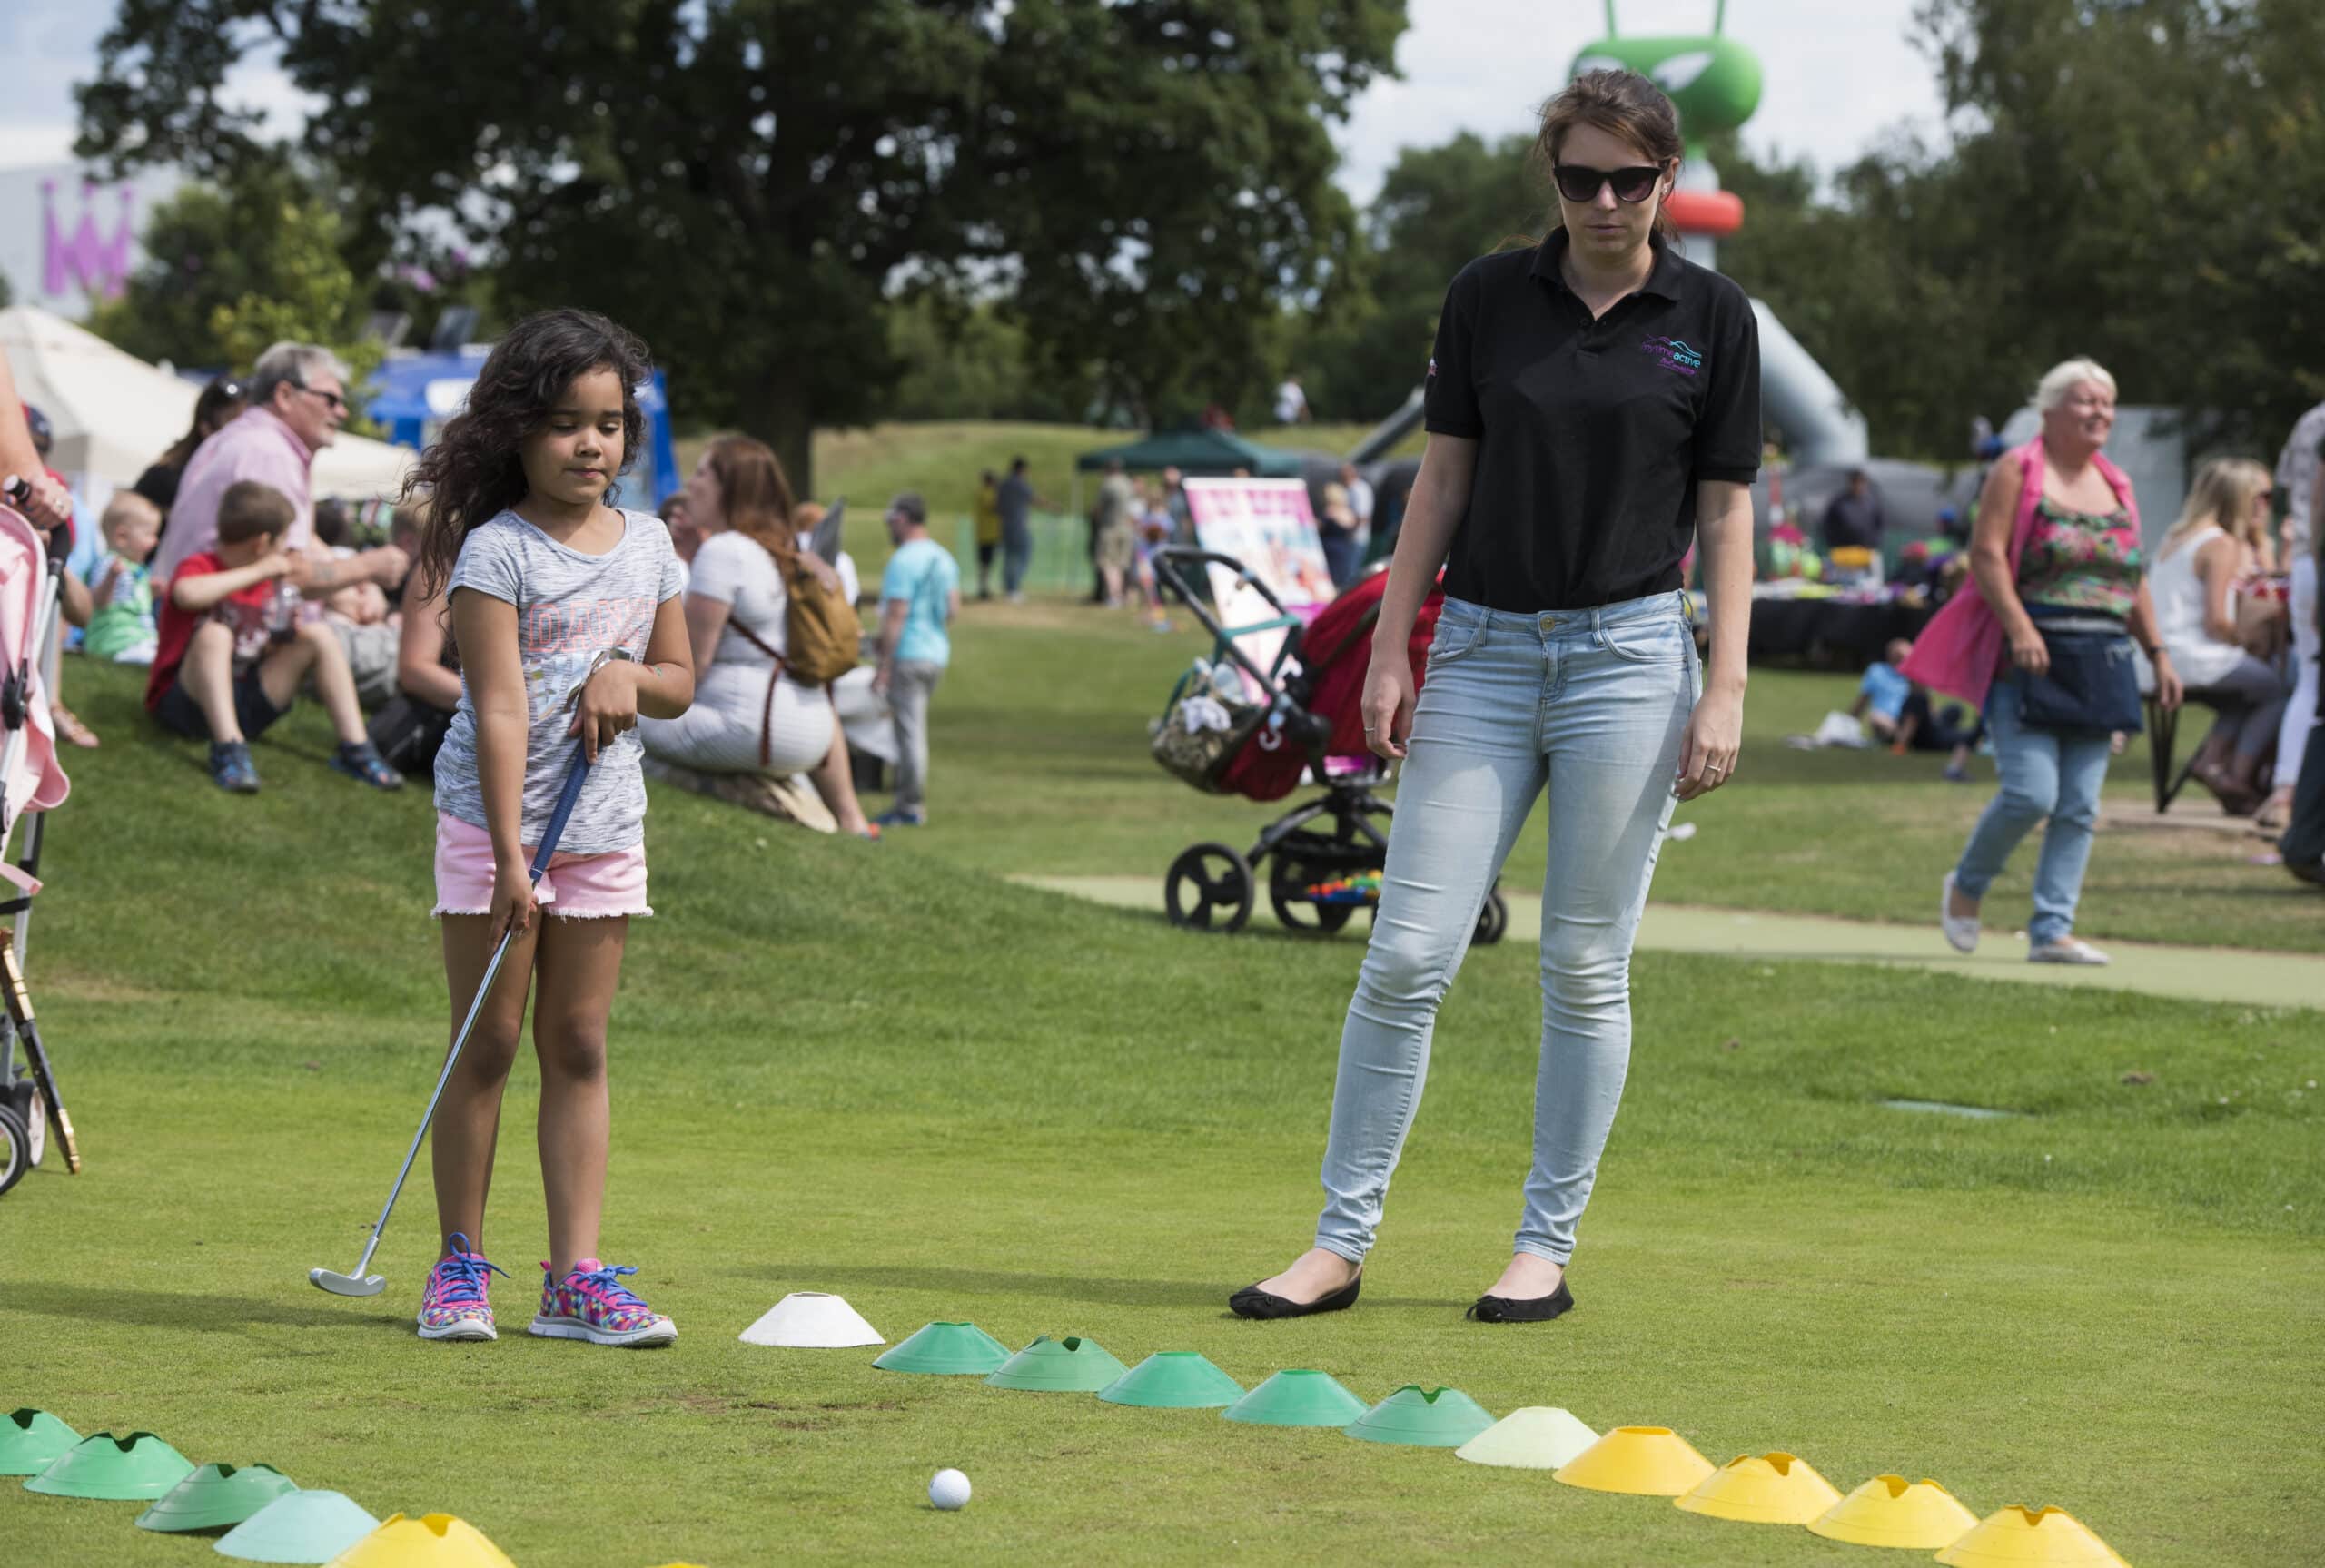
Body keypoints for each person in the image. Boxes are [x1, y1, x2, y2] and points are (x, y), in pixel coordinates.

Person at [1232, 69, 1759, 1326]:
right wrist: (1395, 649)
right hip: (1477, 647)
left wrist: (1726, 684)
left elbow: (1729, 512)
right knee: (1408, 952)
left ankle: (1543, 1245)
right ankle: (1338, 1242)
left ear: (1667, 182)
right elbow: (1440, 482)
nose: (1605, 200)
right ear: (1554, 179)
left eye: (1631, 178)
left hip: (1633, 659)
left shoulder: (1713, 317)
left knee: (1583, 964)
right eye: (1581, 176)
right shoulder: (1486, 298)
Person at [404, 307, 695, 1347]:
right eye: (568, 422)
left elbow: (677, 683)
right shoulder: (496, 551)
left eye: (610, 424)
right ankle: (458, 1266)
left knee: (576, 1042)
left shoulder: (652, 543)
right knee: (487, 1039)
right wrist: (514, 861)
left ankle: (573, 1277)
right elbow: (498, 709)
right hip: (495, 827)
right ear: (519, 430)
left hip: (604, 825)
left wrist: (630, 675)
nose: (591, 444)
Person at [1915, 358, 2182, 967]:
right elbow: (1985, 555)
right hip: (2029, 657)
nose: (2100, 413)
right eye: (2087, 401)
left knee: (2081, 804)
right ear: (2051, 409)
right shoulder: (2018, 469)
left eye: (2108, 403)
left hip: (2103, 658)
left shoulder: (2116, 483)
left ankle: (2052, 929)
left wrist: (2158, 653)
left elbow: (2131, 575)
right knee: (2032, 793)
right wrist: (2020, 627)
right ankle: (1966, 887)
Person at [637, 439, 876, 838]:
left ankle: (736, 789)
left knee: (618, 718)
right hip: (811, 732)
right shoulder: (789, 552)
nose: (690, 484)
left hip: (751, 731)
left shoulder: (726, 550)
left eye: (702, 473)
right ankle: (843, 817)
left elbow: (689, 670)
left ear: (730, 488)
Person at [144, 480, 403, 794]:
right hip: (185, 704)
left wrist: (278, 640)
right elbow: (186, 594)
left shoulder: (269, 582)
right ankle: (228, 748)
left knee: (318, 634)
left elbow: (254, 647)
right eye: (284, 542)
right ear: (262, 543)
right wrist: (262, 570)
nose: (288, 552)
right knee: (214, 634)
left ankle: (356, 748)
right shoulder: (201, 565)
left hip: (244, 700)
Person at [153, 342, 409, 598]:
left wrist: (355, 587)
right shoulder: (269, 454)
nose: (342, 412)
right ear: (285, 395)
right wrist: (367, 567)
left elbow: (302, 544)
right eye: (330, 399)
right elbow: (287, 574)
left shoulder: (242, 439)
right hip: (214, 627)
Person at [2148, 458, 2289, 815]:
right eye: (2260, 496)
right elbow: (2216, 622)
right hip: (2192, 657)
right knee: (2276, 687)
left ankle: (2211, 762)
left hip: (2157, 656)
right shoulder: (2220, 543)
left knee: (2248, 692)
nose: (2264, 505)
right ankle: (2235, 776)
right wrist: (2248, 644)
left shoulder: (2176, 535)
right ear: (2238, 497)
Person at [872, 492, 960, 828]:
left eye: (891, 520)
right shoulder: (944, 558)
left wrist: (884, 665)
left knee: (909, 734)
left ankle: (909, 805)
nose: (889, 528)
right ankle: (908, 800)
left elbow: (897, 614)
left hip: (908, 654)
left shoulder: (903, 560)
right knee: (913, 730)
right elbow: (952, 608)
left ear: (904, 519)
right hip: (936, 653)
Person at [2264, 399, 2325, 831]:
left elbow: (2294, 497)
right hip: (2317, 561)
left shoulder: (2310, 420)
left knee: (2309, 679)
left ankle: (2285, 792)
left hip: (2306, 559)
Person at [136, 376, 249, 550]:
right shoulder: (166, 476)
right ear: (205, 427)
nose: (240, 431)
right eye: (231, 420)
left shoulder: (244, 473)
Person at [84, 492, 163, 663]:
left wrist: (151, 593)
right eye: (150, 534)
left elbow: (134, 601)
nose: (155, 541)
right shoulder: (109, 564)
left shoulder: (138, 569)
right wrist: (110, 579)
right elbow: (96, 601)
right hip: (115, 641)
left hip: (139, 637)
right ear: (122, 537)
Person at [1092, 458, 1135, 606]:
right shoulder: (1128, 483)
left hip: (1110, 528)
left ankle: (1114, 597)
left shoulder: (1108, 485)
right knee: (1123, 564)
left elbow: (1099, 509)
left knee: (1109, 564)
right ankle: (1125, 595)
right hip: (1127, 528)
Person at [995, 456, 1037, 602]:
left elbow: (998, 507)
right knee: (1023, 557)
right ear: (1022, 469)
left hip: (1005, 526)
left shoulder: (1003, 484)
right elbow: (1033, 498)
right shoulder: (1020, 484)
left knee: (1008, 558)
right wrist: (1052, 506)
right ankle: (1014, 588)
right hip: (1019, 526)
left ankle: (1009, 588)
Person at [1820, 468, 1884, 554]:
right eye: (1855, 482)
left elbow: (1879, 525)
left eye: (1861, 482)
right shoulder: (1839, 502)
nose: (1858, 485)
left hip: (1866, 550)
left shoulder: (1872, 503)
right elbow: (1828, 525)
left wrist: (1873, 543)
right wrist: (1834, 544)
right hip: (1843, 551)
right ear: (1850, 483)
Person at [972, 469, 1003, 600]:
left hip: (989, 533)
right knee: (985, 563)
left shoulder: (987, 492)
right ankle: (983, 589)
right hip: (986, 534)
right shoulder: (986, 493)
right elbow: (993, 507)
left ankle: (984, 588)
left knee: (986, 564)